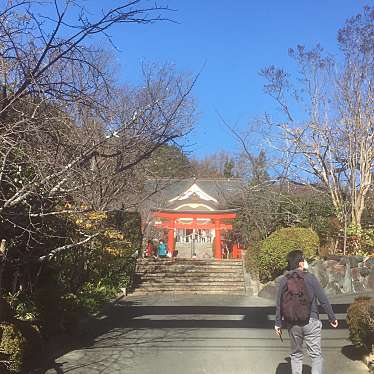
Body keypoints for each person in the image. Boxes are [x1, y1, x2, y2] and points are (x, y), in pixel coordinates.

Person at [275, 249, 338, 374]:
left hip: (292, 323)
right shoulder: (310, 277)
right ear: (300, 263)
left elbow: (279, 303)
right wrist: (332, 317)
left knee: (296, 355)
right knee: (315, 355)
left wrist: (278, 323)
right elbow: (323, 299)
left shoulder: (283, 280)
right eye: (303, 259)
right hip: (311, 320)